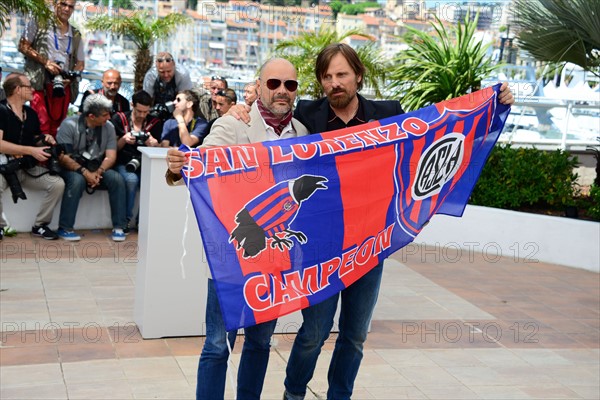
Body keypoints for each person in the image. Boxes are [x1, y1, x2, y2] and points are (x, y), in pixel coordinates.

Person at [228, 43, 515, 400]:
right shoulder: (308, 114)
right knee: (314, 332)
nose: (335, 83)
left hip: (370, 243)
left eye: (341, 75)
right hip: (321, 247)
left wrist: (494, 102)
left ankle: (339, 396)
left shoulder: (389, 114)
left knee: (355, 335)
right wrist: (241, 109)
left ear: (358, 76)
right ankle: (294, 394)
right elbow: (271, 115)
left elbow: (440, 127)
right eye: (327, 77)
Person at [165, 58, 309, 400]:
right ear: (258, 87)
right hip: (231, 254)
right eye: (273, 83)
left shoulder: (302, 133)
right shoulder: (233, 124)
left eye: (290, 85)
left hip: (273, 257)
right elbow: (202, 167)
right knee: (218, 344)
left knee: (260, 343)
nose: (281, 91)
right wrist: (176, 168)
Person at [0, 73, 65, 241]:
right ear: (16, 89)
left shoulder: (31, 113)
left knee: (57, 184)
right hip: (4, 167)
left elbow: (34, 139)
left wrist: (44, 139)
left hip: (25, 167)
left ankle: (40, 225)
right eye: (28, 86)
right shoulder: (1, 110)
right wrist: (30, 150)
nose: (32, 90)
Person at [56, 93, 127, 242]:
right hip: (72, 169)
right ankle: (65, 228)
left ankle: (119, 227)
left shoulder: (109, 127)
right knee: (77, 181)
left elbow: (111, 156)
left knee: (117, 179)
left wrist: (99, 171)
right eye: (104, 115)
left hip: (96, 168)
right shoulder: (69, 125)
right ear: (91, 116)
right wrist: (84, 172)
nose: (108, 117)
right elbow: (63, 158)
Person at [19, 0, 85, 137]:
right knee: (40, 125)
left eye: (70, 6)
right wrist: (46, 62)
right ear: (55, 4)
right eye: (63, 4)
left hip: (62, 84)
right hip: (39, 83)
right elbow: (23, 46)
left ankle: (51, 156)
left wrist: (70, 79)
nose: (66, 9)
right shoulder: (38, 22)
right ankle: (38, 156)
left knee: (57, 127)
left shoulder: (76, 34)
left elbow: (80, 63)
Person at [112, 90, 161, 232]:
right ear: (132, 105)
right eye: (139, 111)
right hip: (124, 161)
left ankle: (143, 222)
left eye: (146, 112)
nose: (142, 115)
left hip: (145, 163)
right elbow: (111, 148)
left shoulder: (155, 122)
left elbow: (159, 148)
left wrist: (154, 144)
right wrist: (123, 139)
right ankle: (126, 220)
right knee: (131, 180)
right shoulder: (119, 118)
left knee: (152, 183)